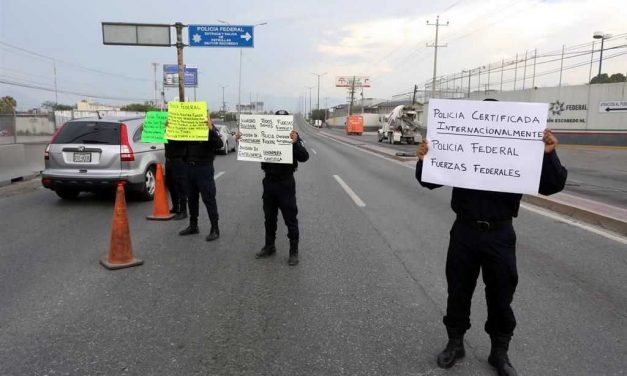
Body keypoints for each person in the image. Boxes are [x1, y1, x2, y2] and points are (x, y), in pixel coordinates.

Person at [415, 109, 567, 375]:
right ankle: (455, 342)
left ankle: (499, 352)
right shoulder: (462, 150)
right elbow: (428, 182)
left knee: (501, 296)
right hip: (464, 231)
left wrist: (549, 154)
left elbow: (552, 185)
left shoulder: (521, 154)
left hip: (500, 235)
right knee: (458, 291)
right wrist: (424, 158)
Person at [246, 110, 309, 266]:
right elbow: (250, 145)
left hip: (286, 183)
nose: (279, 125)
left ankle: (293, 251)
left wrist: (295, 142)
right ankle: (269, 246)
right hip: (269, 182)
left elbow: (304, 157)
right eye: (277, 121)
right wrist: (243, 138)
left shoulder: (294, 138)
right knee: (269, 218)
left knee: (290, 218)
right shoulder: (265, 137)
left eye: (283, 122)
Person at [178, 119, 223, 241]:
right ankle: (193, 225)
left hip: (204, 168)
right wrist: (170, 129)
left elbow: (219, 144)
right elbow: (177, 143)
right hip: (188, 167)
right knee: (191, 198)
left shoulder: (210, 127)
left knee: (208, 198)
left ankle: (215, 228)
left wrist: (210, 129)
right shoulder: (186, 126)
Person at [165, 139, 187, 220]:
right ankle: (175, 207)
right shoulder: (166, 128)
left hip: (179, 160)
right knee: (170, 184)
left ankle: (183, 210)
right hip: (168, 160)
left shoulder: (180, 128)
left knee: (180, 185)